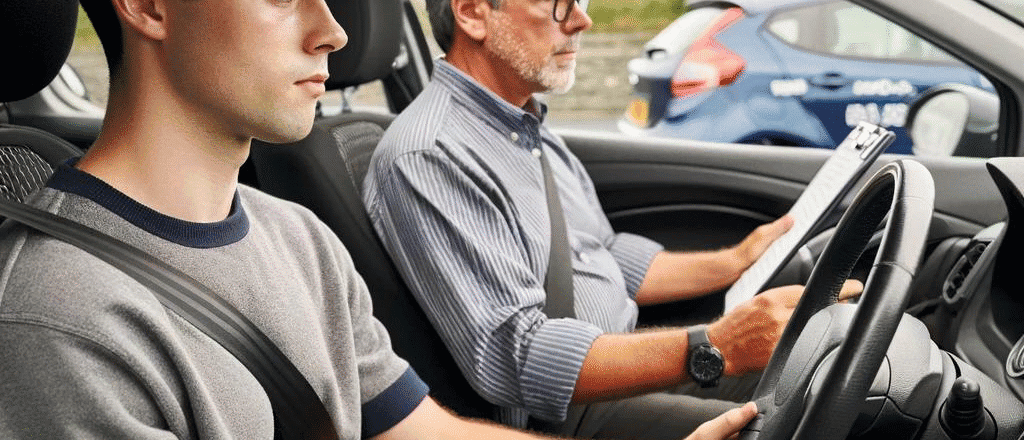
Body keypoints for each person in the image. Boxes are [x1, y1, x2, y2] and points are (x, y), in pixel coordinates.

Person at [0, 0, 759, 438]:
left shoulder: (299, 240)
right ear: (150, 6)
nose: (330, 29)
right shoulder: (62, 322)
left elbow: (426, 432)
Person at [363, 0, 863, 438]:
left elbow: (607, 254)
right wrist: (716, 345)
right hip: (568, 410)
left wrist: (735, 260)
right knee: (845, 405)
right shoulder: (430, 154)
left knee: (846, 365)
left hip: (624, 353)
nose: (582, 20)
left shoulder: (526, 128)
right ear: (473, 12)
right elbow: (517, 356)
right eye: (558, 3)